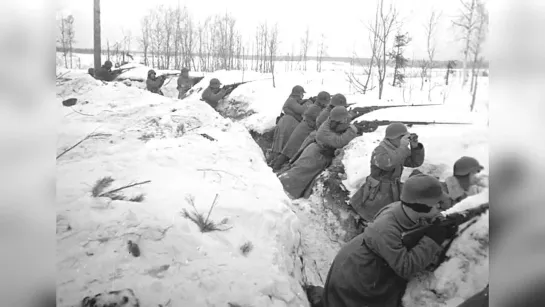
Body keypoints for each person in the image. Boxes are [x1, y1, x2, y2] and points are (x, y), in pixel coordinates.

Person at [323, 174, 454, 307]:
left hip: (379, 259)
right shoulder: (385, 227)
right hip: (357, 272)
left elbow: (425, 221)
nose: (441, 208)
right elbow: (406, 267)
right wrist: (432, 240)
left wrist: (441, 223)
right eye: (438, 205)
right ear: (422, 207)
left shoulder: (411, 209)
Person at [349, 122, 425, 222]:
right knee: (368, 215)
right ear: (392, 138)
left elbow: (415, 162)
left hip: (392, 190)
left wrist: (415, 147)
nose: (404, 140)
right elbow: (388, 164)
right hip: (377, 192)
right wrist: (402, 148)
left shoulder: (399, 150)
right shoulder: (380, 150)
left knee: (386, 216)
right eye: (401, 137)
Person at [278, 106, 358, 199]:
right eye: (344, 120)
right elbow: (339, 141)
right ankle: (278, 189)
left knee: (305, 177)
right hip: (314, 154)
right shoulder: (324, 131)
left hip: (319, 154)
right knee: (297, 174)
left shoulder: (333, 122)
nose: (346, 121)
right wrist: (352, 130)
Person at [268, 85, 311, 165]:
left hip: (287, 125)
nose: (303, 96)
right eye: (302, 94)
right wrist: (309, 103)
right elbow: (301, 110)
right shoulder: (291, 100)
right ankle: (274, 162)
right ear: (298, 94)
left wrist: (306, 101)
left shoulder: (292, 100)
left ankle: (274, 162)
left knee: (282, 144)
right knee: (281, 145)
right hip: (286, 125)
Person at [271, 104, 322, 171]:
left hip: (300, 131)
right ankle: (274, 168)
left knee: (286, 153)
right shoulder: (316, 109)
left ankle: (274, 166)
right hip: (302, 134)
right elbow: (315, 122)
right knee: (287, 154)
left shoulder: (313, 107)